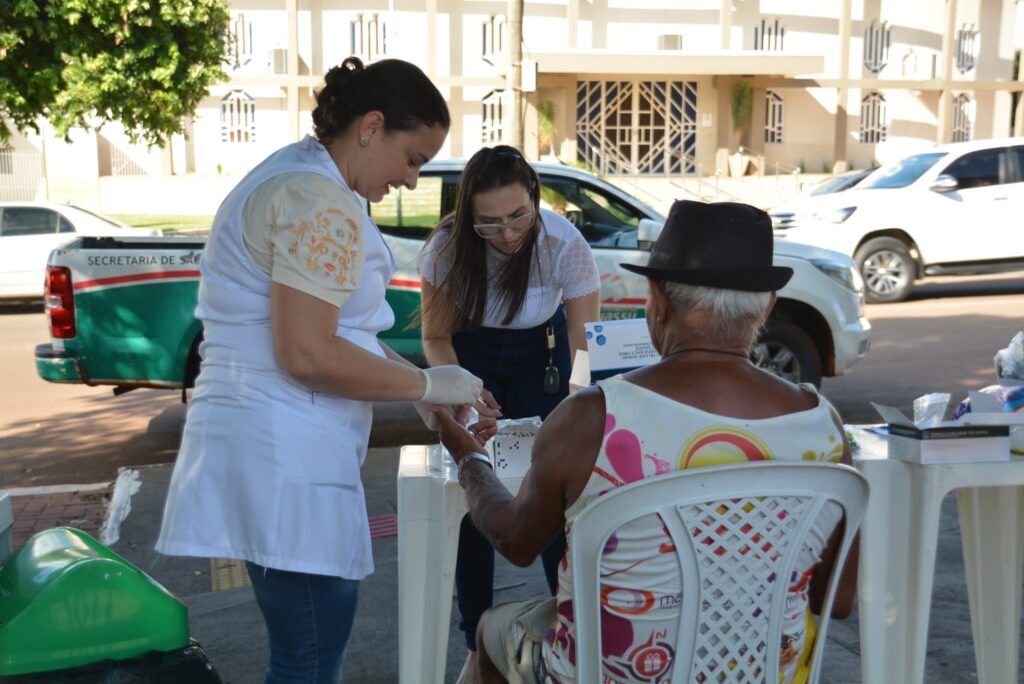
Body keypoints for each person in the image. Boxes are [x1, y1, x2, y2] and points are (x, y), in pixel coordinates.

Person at [156, 57, 487, 684]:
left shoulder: (306, 177)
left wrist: (422, 392)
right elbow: (308, 353)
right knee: (310, 649)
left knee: (307, 640)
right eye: (412, 159)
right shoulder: (317, 200)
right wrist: (425, 382)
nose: (411, 181)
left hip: (272, 445)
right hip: (286, 454)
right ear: (371, 127)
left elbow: (344, 333)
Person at [434, 200, 859, 684]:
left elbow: (516, 540)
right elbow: (837, 600)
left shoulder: (591, 417)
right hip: (763, 674)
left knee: (494, 626)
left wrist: (470, 459)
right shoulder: (824, 428)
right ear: (767, 305)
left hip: (610, 674)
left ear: (657, 300)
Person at [417, 145, 602, 679]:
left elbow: (583, 340)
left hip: (541, 357)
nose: (507, 233)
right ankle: (477, 641)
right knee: (476, 485)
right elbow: (435, 337)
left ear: (536, 200)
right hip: (467, 355)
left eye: (519, 215)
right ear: (467, 215)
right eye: (489, 223)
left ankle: (570, 622)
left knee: (554, 486)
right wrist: (461, 390)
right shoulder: (447, 250)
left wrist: (577, 405)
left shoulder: (563, 241)